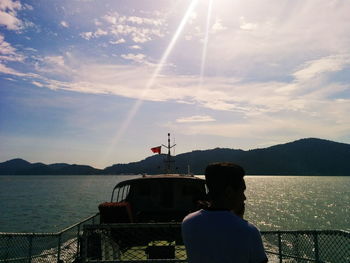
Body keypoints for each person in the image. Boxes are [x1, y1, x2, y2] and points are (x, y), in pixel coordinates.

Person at [182, 162, 268, 263]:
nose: (244, 198)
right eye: (242, 191)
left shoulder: (188, 223)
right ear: (229, 192)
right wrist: (239, 219)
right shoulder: (250, 232)